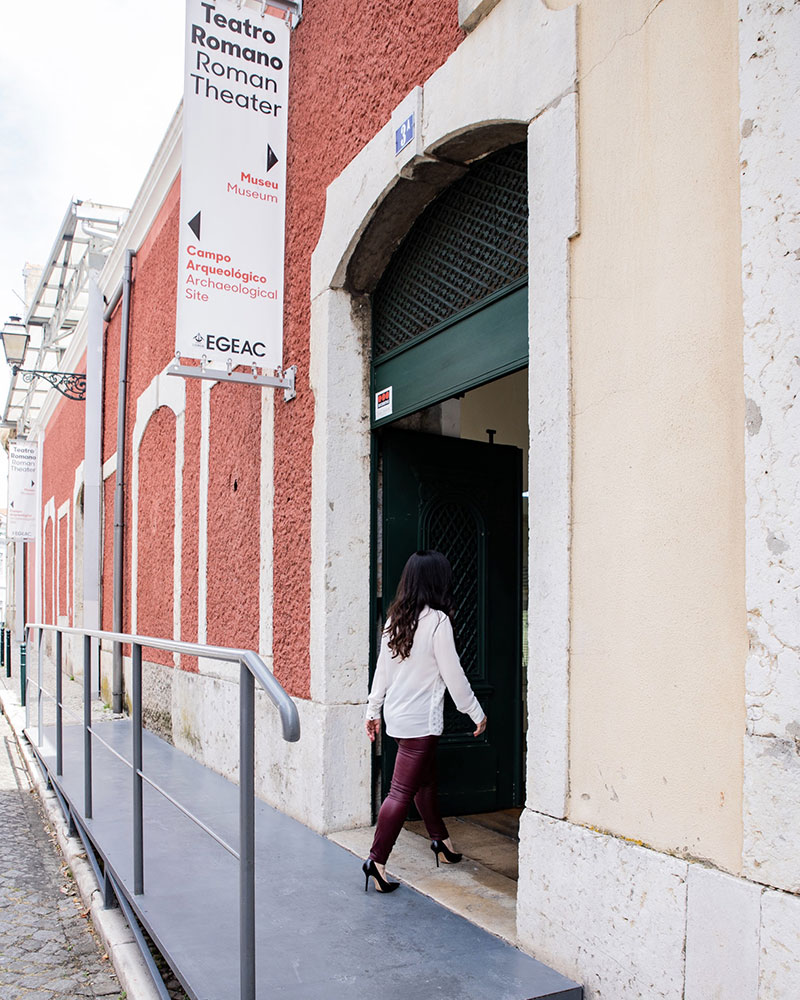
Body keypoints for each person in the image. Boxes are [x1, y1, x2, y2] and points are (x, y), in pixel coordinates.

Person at [362, 550, 487, 893]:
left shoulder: (395, 620)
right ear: (437, 581)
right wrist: (476, 712)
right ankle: (376, 860)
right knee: (401, 792)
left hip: (399, 719)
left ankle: (442, 843)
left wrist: (373, 711)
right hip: (421, 724)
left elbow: (381, 672)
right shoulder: (437, 622)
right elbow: (454, 675)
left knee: (425, 783)